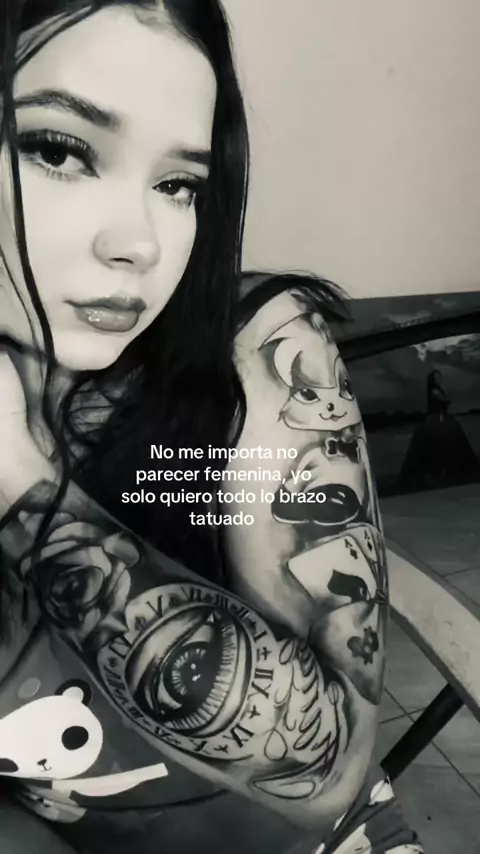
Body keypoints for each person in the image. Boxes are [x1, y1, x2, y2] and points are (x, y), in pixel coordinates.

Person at [0, 2, 423, 852]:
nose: (141, 243)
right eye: (59, 150)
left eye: (178, 186)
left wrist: (16, 469)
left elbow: (328, 775)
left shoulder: (260, 352)